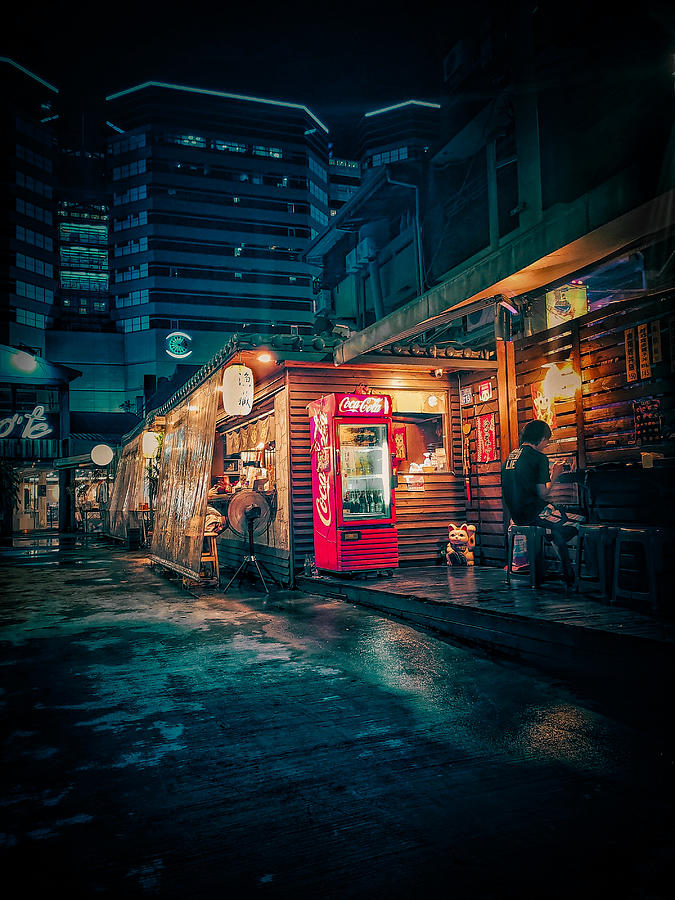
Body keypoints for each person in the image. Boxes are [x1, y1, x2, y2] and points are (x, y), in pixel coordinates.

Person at [501, 419, 582, 587]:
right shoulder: (539, 458)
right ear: (542, 438)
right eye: (547, 441)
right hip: (534, 515)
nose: (546, 445)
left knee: (554, 524)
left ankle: (566, 573)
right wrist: (555, 473)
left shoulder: (510, 457)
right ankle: (577, 575)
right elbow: (543, 493)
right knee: (581, 520)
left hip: (517, 516)